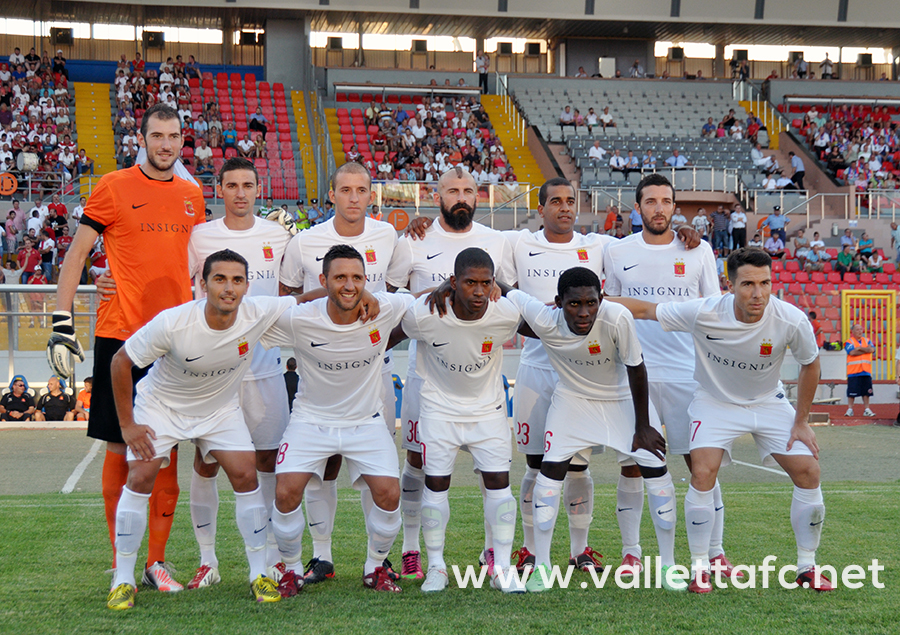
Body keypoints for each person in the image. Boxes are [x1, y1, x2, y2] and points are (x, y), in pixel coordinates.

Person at [48, 103, 205, 591]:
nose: (165, 144)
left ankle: (156, 562)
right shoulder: (113, 186)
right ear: (141, 139)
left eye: (173, 136)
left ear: (182, 142)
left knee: (167, 452)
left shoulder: (191, 195)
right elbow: (77, 254)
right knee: (120, 448)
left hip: (176, 340)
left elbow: (200, 265)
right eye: (156, 135)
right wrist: (60, 320)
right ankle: (123, 564)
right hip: (122, 336)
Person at [611, 247, 832, 593]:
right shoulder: (704, 312)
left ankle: (807, 565)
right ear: (729, 284)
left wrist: (801, 419)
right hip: (714, 402)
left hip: (768, 402)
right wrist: (596, 300)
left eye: (765, 283)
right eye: (747, 284)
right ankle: (701, 566)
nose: (757, 293)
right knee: (702, 472)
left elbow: (811, 363)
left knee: (809, 471)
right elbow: (646, 310)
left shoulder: (791, 319)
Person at [105, 249, 295, 610]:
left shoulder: (257, 313)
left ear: (246, 286)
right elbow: (120, 361)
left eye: (237, 280)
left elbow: (303, 300)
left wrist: (360, 295)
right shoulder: (174, 322)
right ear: (203, 283)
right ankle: (123, 579)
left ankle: (259, 575)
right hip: (163, 406)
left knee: (245, 473)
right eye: (220, 279)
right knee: (142, 475)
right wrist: (127, 425)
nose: (229, 288)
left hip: (219, 409)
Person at [498, 267, 675, 592]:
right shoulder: (544, 318)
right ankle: (542, 566)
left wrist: (643, 426)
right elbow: (508, 290)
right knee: (549, 471)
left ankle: (667, 565)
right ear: (558, 303)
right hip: (573, 400)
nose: (583, 312)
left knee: (656, 470)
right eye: (574, 304)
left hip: (622, 398)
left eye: (591, 303)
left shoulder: (617, 317)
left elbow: (637, 368)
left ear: (601, 299)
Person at [385, 166, 515, 580]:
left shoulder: (496, 241)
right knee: (419, 463)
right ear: (436, 195)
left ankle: (493, 552)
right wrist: (434, 292)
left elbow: (507, 294)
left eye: (468, 190)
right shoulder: (414, 238)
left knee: (489, 467)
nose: (461, 196)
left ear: (479, 196)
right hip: (427, 373)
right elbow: (393, 299)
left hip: (479, 374)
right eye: (452, 189)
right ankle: (411, 550)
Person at [265, 245, 416, 597]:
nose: (349, 286)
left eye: (357, 279)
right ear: (323, 280)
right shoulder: (300, 317)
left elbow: (423, 297)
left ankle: (375, 567)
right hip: (310, 420)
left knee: (389, 494)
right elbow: (252, 317)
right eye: (340, 278)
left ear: (367, 281)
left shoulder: (386, 308)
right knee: (285, 493)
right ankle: (289, 571)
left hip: (364, 421)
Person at [603, 173, 731, 581]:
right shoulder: (616, 251)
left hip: (687, 374)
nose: (659, 208)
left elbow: (713, 311)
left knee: (701, 465)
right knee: (633, 465)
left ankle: (715, 552)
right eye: (651, 201)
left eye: (666, 201)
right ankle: (631, 552)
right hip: (635, 373)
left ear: (675, 207)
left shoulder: (699, 250)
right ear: (637, 207)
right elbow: (613, 310)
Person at [279, 161, 402, 584]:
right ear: (331, 194)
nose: (354, 198)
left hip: (372, 370)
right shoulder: (305, 241)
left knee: (377, 477)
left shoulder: (387, 235)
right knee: (321, 469)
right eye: (345, 190)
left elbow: (400, 295)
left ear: (372, 195)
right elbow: (288, 298)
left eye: (361, 190)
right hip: (319, 374)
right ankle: (321, 557)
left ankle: (378, 563)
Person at [180, 158, 294, 589]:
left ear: (258, 188)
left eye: (248, 184)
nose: (240, 192)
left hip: (265, 368)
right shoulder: (201, 236)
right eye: (232, 185)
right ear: (219, 190)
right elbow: (177, 282)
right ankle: (208, 560)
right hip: (213, 374)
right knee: (207, 462)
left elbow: (297, 286)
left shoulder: (279, 235)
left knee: (267, 461)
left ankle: (266, 556)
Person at [392, 248, 524, 593]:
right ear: (453, 283)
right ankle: (436, 566)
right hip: (439, 410)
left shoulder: (504, 313)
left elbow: (543, 325)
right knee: (435, 487)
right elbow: (389, 332)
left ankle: (503, 569)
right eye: (470, 283)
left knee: (500, 487)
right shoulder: (425, 313)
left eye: (486, 283)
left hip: (488, 411)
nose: (478, 292)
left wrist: (507, 288)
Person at [504, 178, 613, 575]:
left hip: (582, 374)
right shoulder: (518, 244)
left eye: (571, 201)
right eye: (555, 201)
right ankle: (531, 551)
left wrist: (684, 232)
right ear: (541, 207)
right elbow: (494, 283)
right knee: (535, 466)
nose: (564, 207)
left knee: (579, 467)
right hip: (536, 370)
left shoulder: (599, 246)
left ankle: (579, 550)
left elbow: (648, 247)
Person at [845, 323, 876, 418]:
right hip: (853, 371)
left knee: (866, 392)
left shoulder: (867, 340)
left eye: (861, 329)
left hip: (866, 370)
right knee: (851, 392)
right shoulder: (849, 341)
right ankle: (850, 409)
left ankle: (867, 409)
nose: (860, 331)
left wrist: (860, 348)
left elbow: (872, 350)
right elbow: (852, 352)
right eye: (857, 329)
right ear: (852, 331)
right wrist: (865, 350)